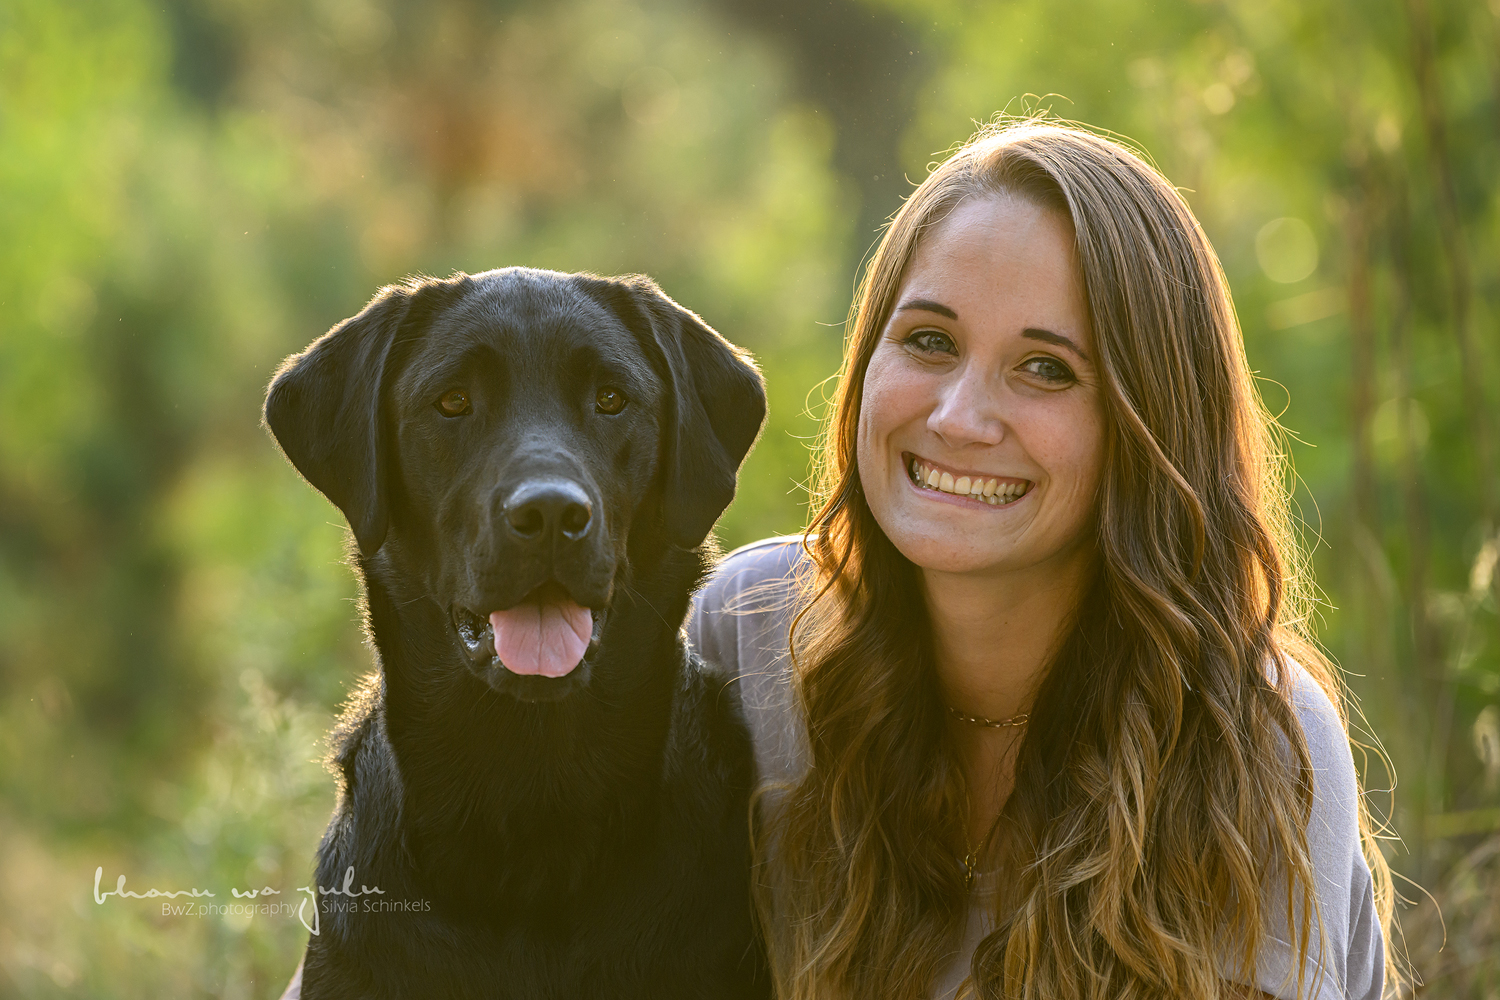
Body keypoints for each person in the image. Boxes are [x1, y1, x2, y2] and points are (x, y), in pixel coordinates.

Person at [688, 121, 1396, 1000]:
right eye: (931, 342)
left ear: (1150, 427)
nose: (958, 416)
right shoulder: (747, 629)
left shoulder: (1259, 740)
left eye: (1045, 369)